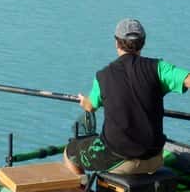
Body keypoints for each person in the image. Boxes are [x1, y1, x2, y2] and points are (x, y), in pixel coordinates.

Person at [64, 18, 190, 176]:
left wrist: (84, 101)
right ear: (143, 43)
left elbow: (90, 106)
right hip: (155, 157)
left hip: (118, 158)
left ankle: (83, 190)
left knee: (69, 153)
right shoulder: (159, 68)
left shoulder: (103, 76)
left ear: (116, 43)